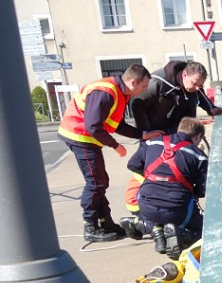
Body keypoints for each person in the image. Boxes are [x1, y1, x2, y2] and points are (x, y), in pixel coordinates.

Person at [58, 64, 162, 242]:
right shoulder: (106, 92)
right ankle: (90, 226)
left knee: (101, 181)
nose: (144, 90)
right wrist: (115, 145)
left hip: (87, 138)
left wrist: (143, 134)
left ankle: (105, 222)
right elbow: (93, 126)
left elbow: (117, 124)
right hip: (79, 136)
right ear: (133, 82)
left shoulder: (121, 94)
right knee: (95, 183)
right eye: (143, 87)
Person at [127, 117, 208, 259]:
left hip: (146, 206)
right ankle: (182, 234)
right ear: (197, 137)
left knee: (152, 202)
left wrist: (153, 178)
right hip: (178, 210)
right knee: (206, 230)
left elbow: (133, 164)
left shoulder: (152, 142)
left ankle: (147, 226)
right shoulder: (199, 156)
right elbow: (202, 190)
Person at [131, 61, 222, 138]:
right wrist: (146, 132)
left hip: (178, 130)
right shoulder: (157, 83)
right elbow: (137, 104)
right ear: (184, 75)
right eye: (194, 83)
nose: (197, 88)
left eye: (200, 85)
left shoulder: (193, 86)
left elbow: (201, 95)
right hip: (155, 131)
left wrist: (211, 108)